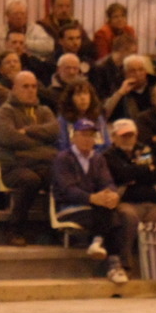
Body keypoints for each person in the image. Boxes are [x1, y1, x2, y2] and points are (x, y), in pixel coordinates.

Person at [51, 118, 131, 284]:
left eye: (91, 135)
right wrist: (91, 198)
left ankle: (99, 244)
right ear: (73, 137)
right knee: (113, 218)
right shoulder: (63, 158)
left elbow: (107, 182)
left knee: (111, 209)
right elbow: (67, 189)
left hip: (96, 207)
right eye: (83, 135)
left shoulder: (98, 159)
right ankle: (114, 263)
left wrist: (112, 195)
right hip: (70, 207)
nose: (88, 139)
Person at [0, 71, 59, 246]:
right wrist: (42, 145)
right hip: (14, 166)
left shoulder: (44, 110)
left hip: (38, 163)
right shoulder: (4, 112)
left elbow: (55, 131)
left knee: (58, 176)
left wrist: (29, 131)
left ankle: (55, 229)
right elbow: (9, 138)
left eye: (34, 86)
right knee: (30, 180)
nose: (31, 90)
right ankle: (14, 230)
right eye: (25, 86)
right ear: (14, 89)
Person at [104, 118, 156, 270]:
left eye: (130, 135)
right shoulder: (108, 155)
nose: (127, 139)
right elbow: (121, 174)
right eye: (123, 135)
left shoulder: (144, 150)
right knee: (128, 218)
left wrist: (133, 173)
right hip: (126, 202)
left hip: (151, 204)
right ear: (114, 137)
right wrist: (144, 170)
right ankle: (124, 264)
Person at [56, 78, 110, 153]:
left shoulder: (98, 118)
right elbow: (63, 146)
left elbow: (106, 145)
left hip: (98, 157)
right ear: (70, 99)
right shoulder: (63, 120)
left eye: (85, 93)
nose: (83, 98)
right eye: (78, 94)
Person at [105, 54, 156, 122]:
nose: (138, 74)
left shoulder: (155, 85)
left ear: (145, 72)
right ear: (125, 74)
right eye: (133, 71)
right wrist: (120, 93)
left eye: (141, 70)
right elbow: (104, 114)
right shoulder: (118, 87)